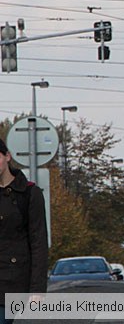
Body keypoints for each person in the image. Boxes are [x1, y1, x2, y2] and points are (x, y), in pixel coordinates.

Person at [0, 138, 48, 323]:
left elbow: (38, 243)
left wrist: (37, 290)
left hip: (11, 283)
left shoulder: (29, 193)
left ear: (7, 156)